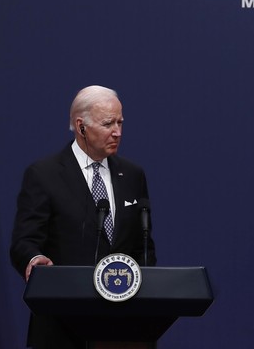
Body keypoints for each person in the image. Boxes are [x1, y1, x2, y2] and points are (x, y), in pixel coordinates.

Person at [10, 85, 157, 349]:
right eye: (108, 123)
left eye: (121, 122)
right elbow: (24, 241)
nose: (118, 132)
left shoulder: (133, 175)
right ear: (81, 127)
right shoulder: (44, 174)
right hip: (62, 326)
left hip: (125, 328)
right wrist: (34, 259)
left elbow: (144, 246)